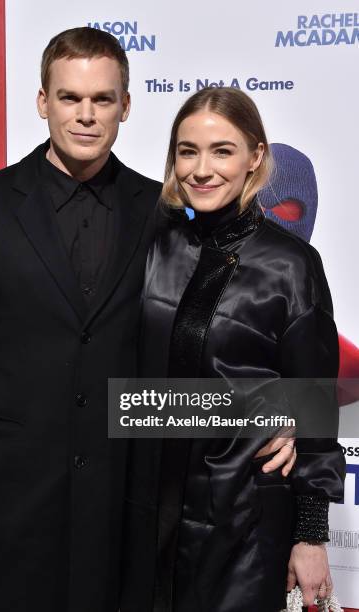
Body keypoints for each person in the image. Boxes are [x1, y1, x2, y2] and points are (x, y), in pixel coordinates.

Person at [0, 28, 295, 611]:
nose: (86, 115)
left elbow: (218, 338)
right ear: (43, 101)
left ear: (125, 106)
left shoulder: (165, 212)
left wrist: (287, 410)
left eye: (102, 99)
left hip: (126, 501)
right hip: (11, 502)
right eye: (70, 98)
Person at [120, 88, 345, 612]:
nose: (202, 169)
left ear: (256, 158)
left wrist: (310, 536)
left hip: (245, 527)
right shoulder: (152, 243)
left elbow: (315, 407)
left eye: (222, 150)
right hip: (143, 517)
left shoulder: (292, 265)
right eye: (187, 151)